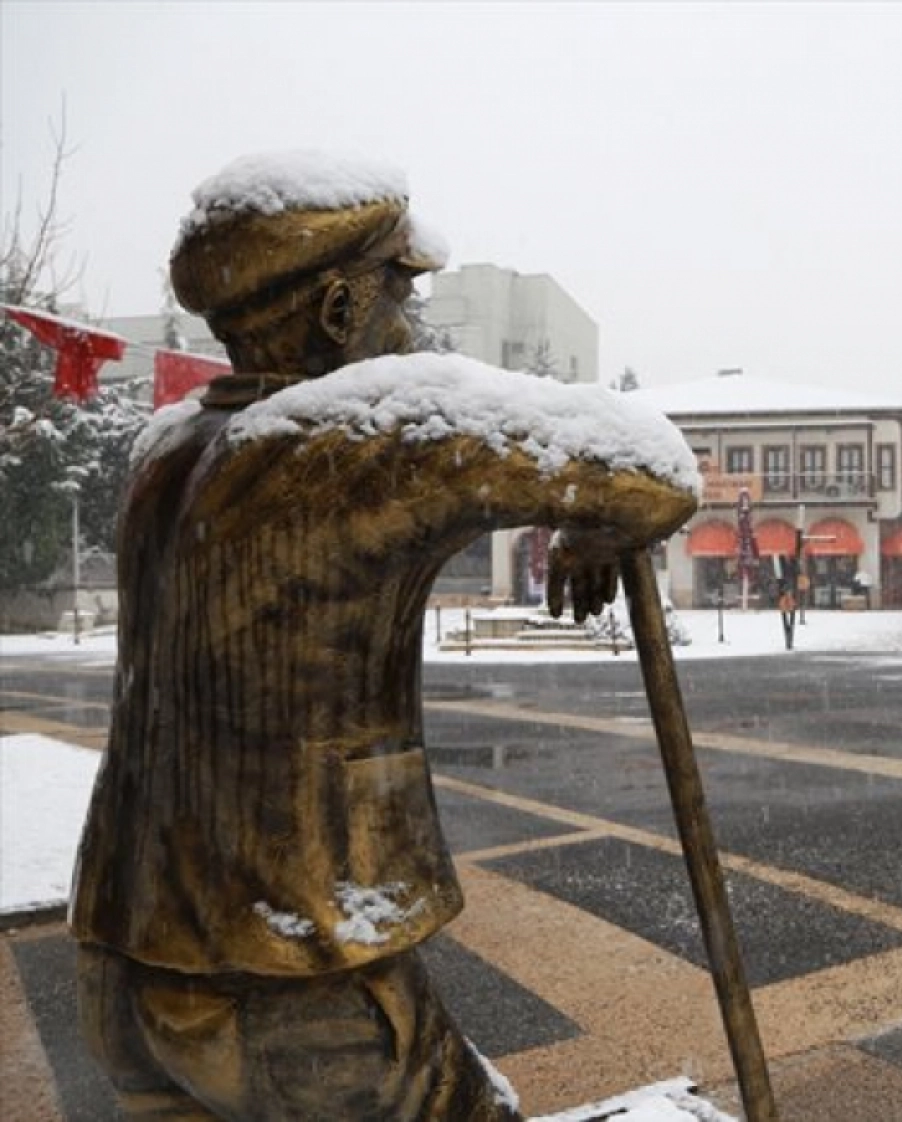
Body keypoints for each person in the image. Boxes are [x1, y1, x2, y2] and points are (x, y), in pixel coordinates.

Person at [69, 152, 697, 1121]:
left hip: (127, 950)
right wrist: (592, 523)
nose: (411, 324)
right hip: (290, 965)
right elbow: (652, 469)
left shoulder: (167, 449)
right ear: (336, 312)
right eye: (399, 292)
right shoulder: (356, 433)